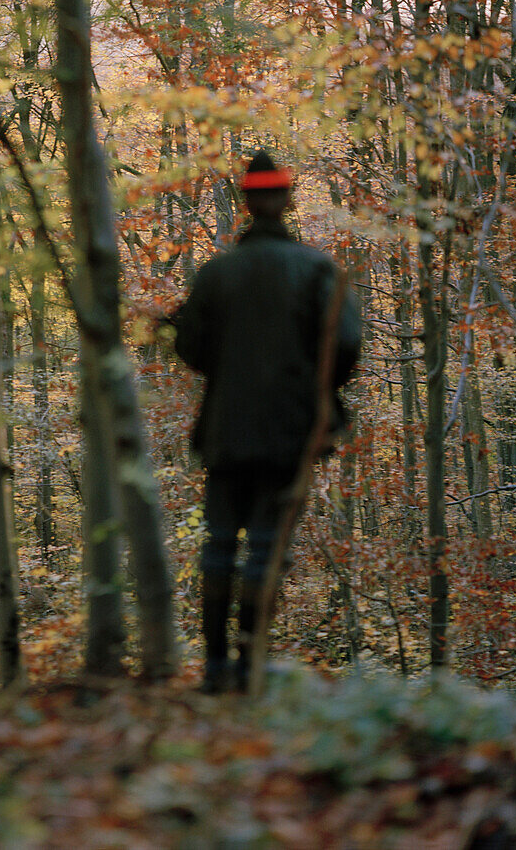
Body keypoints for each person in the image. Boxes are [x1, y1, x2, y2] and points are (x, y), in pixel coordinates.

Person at [172, 149, 361, 693]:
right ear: (287, 199)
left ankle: (215, 669)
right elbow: (346, 343)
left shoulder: (216, 274)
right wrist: (315, 391)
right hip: (289, 430)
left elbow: (192, 348)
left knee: (219, 544)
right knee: (264, 545)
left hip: (226, 427)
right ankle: (248, 664)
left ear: (247, 202)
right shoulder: (318, 269)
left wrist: (226, 365)